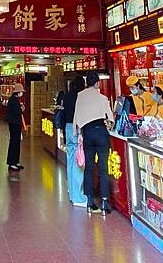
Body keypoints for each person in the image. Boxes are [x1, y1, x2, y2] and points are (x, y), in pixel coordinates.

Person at [73, 71, 114, 216]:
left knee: (89, 169)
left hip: (87, 133)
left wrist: (78, 134)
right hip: (101, 133)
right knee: (103, 169)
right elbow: (110, 118)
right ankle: (104, 202)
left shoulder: (80, 96)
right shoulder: (102, 98)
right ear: (97, 83)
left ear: (86, 83)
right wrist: (109, 124)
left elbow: (76, 117)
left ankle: (90, 202)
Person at [63, 75, 88, 207]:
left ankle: (71, 190)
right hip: (77, 129)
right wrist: (80, 132)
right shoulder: (81, 97)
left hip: (68, 128)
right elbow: (80, 115)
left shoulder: (66, 96)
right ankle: (78, 197)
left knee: (71, 161)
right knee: (79, 163)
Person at [5, 83, 25, 171]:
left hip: (14, 123)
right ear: (18, 92)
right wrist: (21, 109)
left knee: (16, 143)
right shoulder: (14, 101)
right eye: (21, 92)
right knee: (14, 143)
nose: (22, 93)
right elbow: (17, 111)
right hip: (14, 124)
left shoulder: (14, 99)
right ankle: (12, 163)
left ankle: (15, 161)